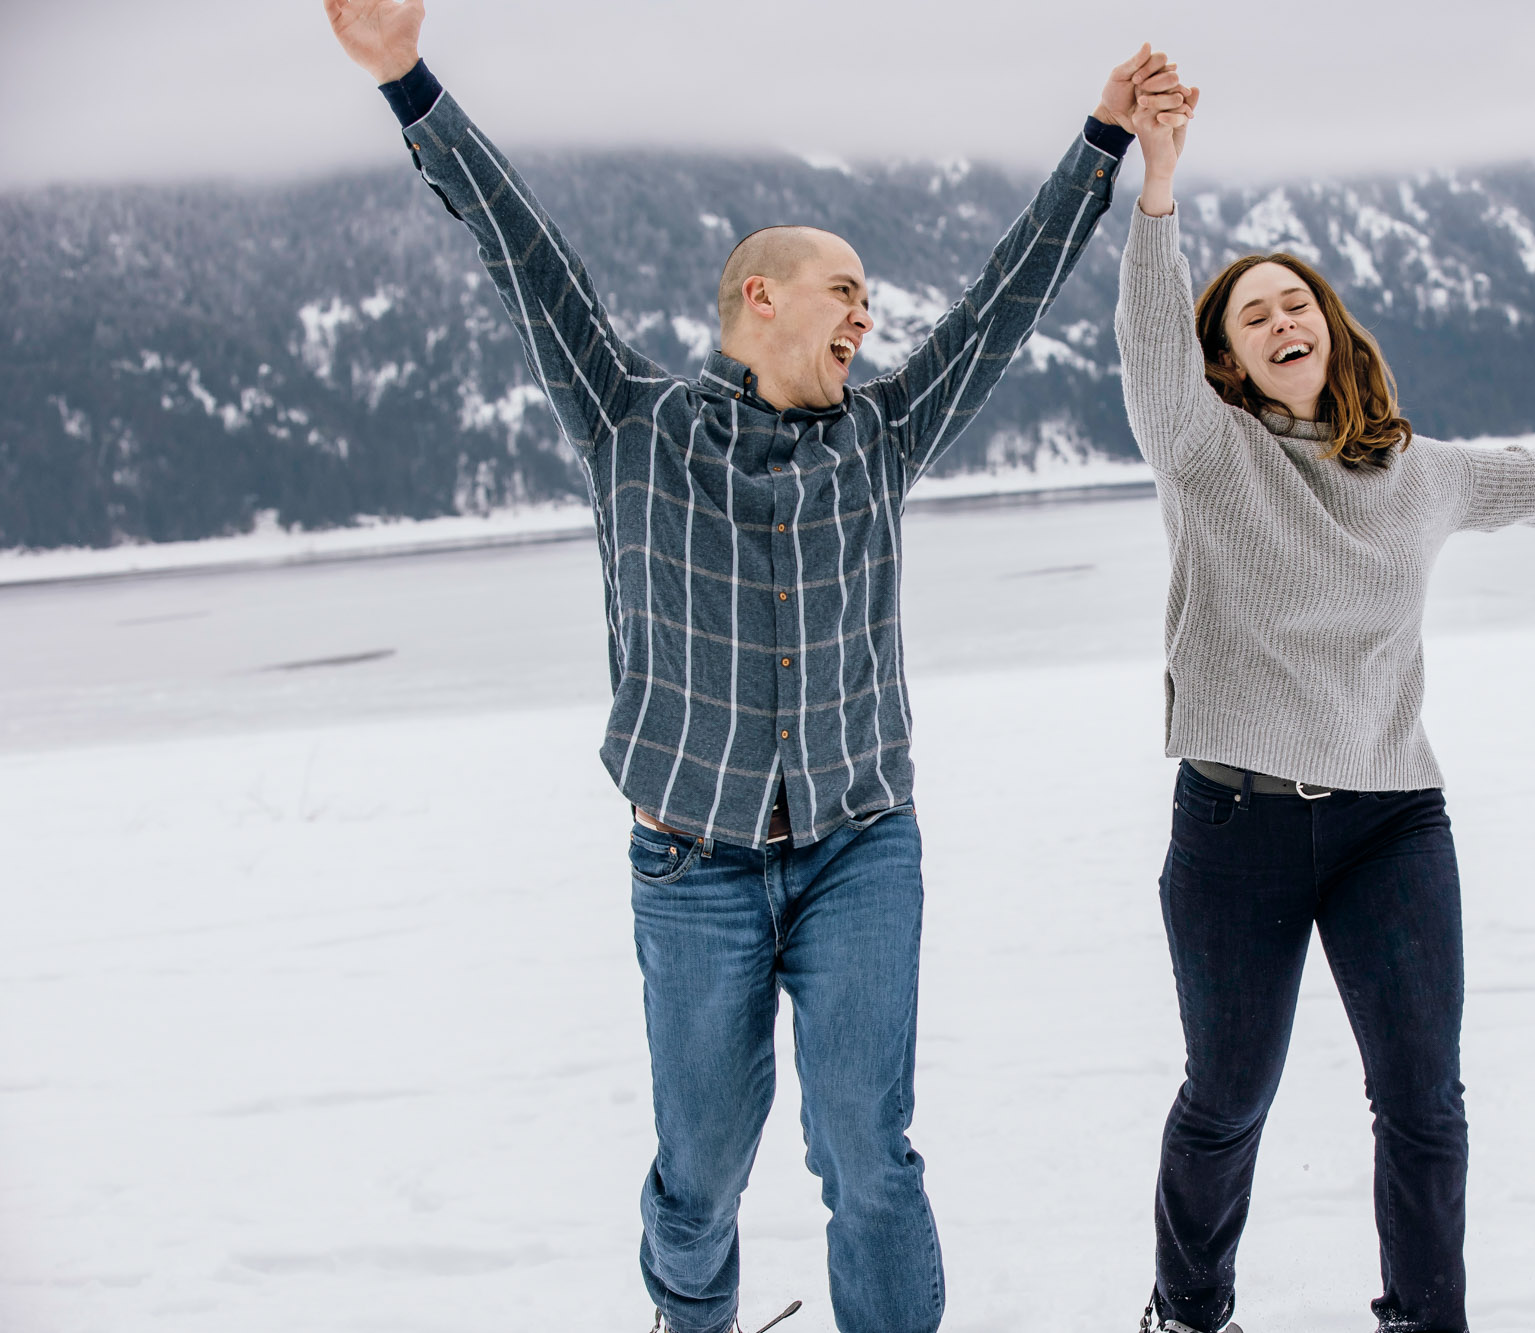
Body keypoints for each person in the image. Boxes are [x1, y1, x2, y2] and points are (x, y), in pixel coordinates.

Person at [319, 4, 1187, 1330]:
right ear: (755, 302)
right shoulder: (629, 421)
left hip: (857, 845)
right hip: (692, 863)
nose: (867, 314)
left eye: (869, 297)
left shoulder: (883, 435)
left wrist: (1100, 139)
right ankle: (693, 1317)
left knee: (870, 1156)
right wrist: (405, 82)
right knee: (700, 1175)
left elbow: (1004, 302)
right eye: (845, 289)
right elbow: (523, 254)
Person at [1112, 86, 1535, 1333]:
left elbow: (1525, 477)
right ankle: (1186, 1310)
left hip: (1390, 820)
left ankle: (1427, 1323)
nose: (1279, 320)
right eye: (1248, 314)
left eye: (1294, 305)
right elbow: (1154, 362)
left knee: (1423, 1102)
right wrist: (1156, 193)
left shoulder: (1412, 472)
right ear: (1226, 354)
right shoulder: (1208, 451)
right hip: (1235, 825)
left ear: (1328, 331)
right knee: (1224, 1095)